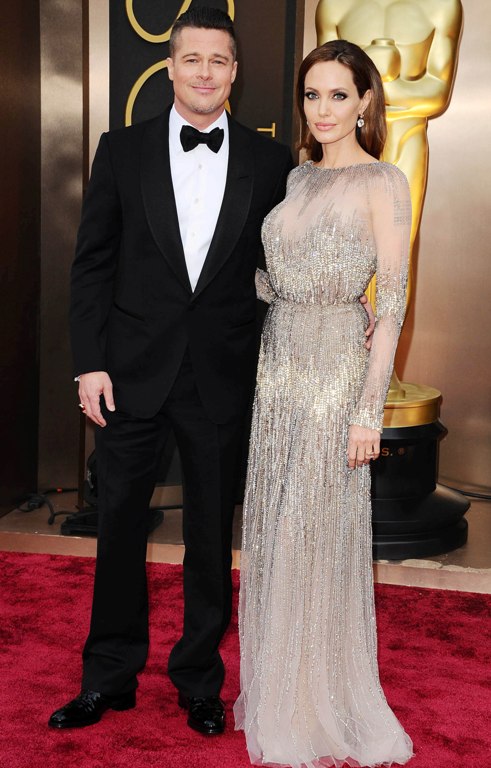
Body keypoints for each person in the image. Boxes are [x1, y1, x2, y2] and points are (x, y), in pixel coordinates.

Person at [48, 9, 373, 736]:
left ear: (235, 73)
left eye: (218, 61)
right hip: (128, 375)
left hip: (223, 378)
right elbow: (91, 266)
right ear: (170, 67)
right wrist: (89, 364)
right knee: (118, 528)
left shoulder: (271, 164)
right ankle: (107, 677)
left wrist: (350, 303)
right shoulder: (121, 150)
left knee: (209, 536)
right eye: (191, 59)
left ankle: (199, 680)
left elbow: (290, 259)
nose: (204, 72)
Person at [234, 40, 414, 767]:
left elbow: (393, 302)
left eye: (339, 95)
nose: (323, 109)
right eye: (312, 95)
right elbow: (277, 275)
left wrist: (369, 410)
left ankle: (316, 701)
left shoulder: (383, 180)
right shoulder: (297, 176)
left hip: (336, 370)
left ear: (365, 100)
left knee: (312, 526)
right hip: (278, 365)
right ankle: (285, 689)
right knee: (280, 528)